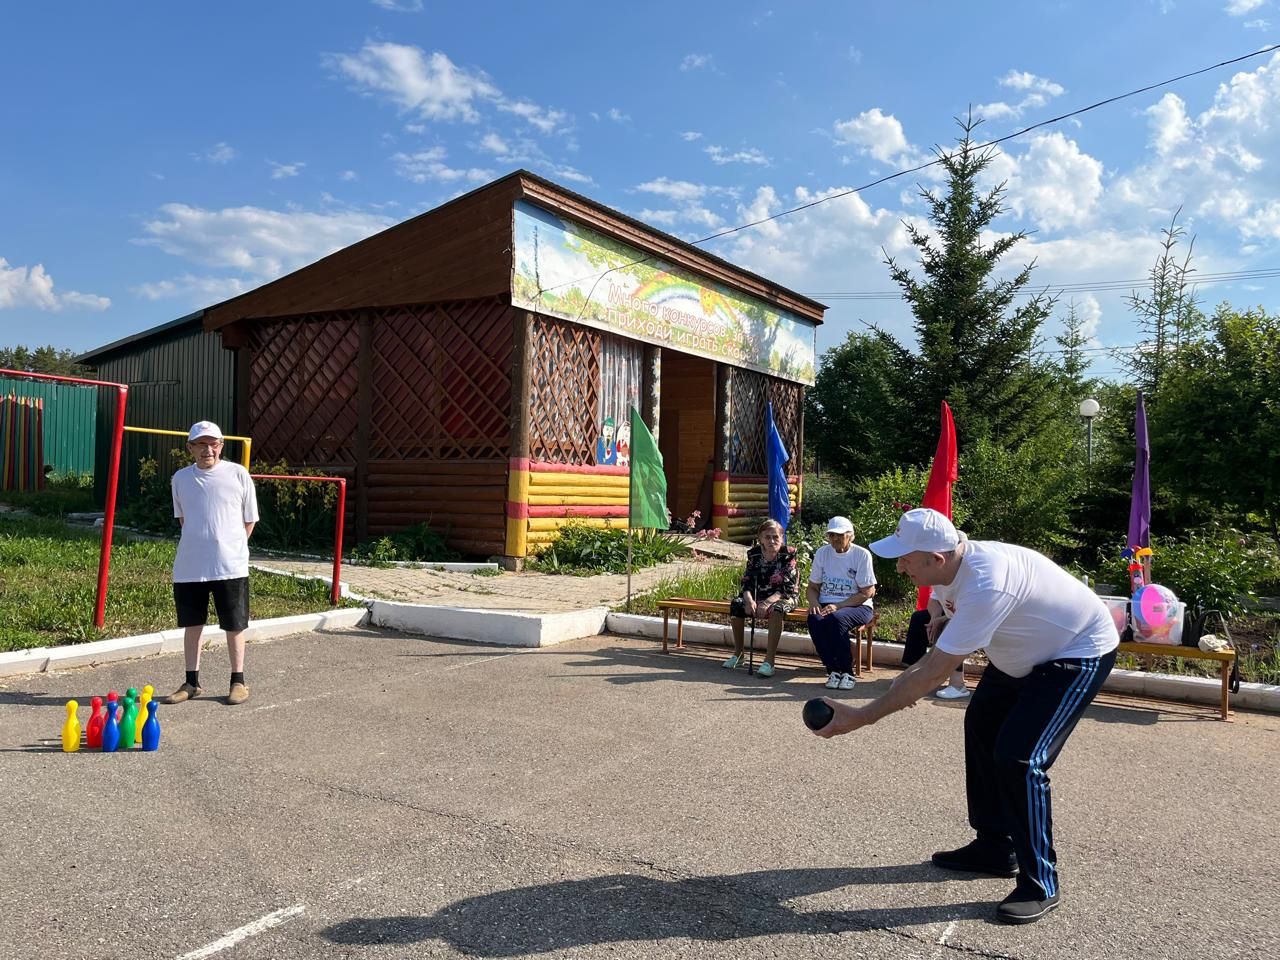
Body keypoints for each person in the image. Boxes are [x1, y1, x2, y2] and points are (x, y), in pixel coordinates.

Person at [813, 508, 1118, 925]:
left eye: (905, 558)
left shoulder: (988, 583)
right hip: (1018, 657)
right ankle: (995, 847)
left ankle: (1040, 883)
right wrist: (939, 614)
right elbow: (942, 596)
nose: (899, 566)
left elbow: (931, 672)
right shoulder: (952, 564)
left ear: (936, 558)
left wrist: (861, 716)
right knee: (981, 727)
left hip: (1075, 653)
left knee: (1019, 759)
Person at [163, 421, 259, 706]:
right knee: (192, 624)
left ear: (221, 446)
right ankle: (191, 682)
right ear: (190, 448)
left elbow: (249, 519)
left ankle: (238, 681)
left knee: (234, 624)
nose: (208, 450)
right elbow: (184, 520)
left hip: (230, 565)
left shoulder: (238, 474)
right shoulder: (180, 479)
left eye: (213, 444)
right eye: (201, 444)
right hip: (190, 565)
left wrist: (231, 547)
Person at [806, 516, 877, 690]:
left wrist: (838, 606)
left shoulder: (861, 554)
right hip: (826, 603)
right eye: (832, 535)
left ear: (850, 535)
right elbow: (812, 587)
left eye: (840, 535)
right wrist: (814, 602)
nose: (835, 539)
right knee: (815, 619)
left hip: (858, 605)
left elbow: (867, 592)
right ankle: (833, 670)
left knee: (836, 619)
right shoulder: (823, 553)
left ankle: (847, 672)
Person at [722, 519, 798, 679]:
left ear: (782, 538)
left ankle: (769, 662)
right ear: (760, 539)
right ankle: (739, 654)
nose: (772, 541)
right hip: (759, 595)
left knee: (777, 609)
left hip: (784, 596)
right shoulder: (754, 554)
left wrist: (767, 603)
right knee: (737, 604)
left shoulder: (788, 555)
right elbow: (747, 582)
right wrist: (749, 600)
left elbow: (787, 589)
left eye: (776, 537)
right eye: (767, 537)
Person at [902, 605, 969, 700]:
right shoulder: (942, 589)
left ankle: (958, 685)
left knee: (953, 625)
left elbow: (971, 610)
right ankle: (916, 676)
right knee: (919, 618)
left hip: (974, 616)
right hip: (952, 614)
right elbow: (933, 600)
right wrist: (934, 618)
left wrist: (944, 618)